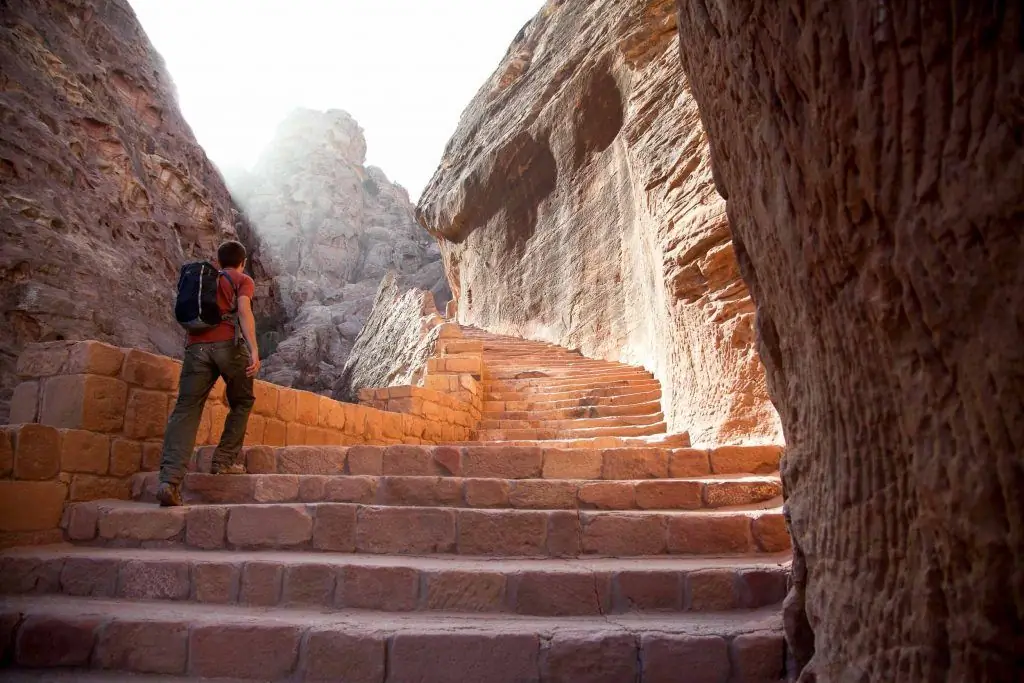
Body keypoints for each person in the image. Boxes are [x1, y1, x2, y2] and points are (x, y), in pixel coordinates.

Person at [156, 240, 261, 506]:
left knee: (186, 409)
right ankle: (223, 461)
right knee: (243, 401)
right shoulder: (242, 279)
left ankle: (169, 481)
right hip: (227, 347)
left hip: (195, 347)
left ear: (218, 259)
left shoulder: (206, 278)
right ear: (243, 261)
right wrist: (254, 350)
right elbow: (245, 312)